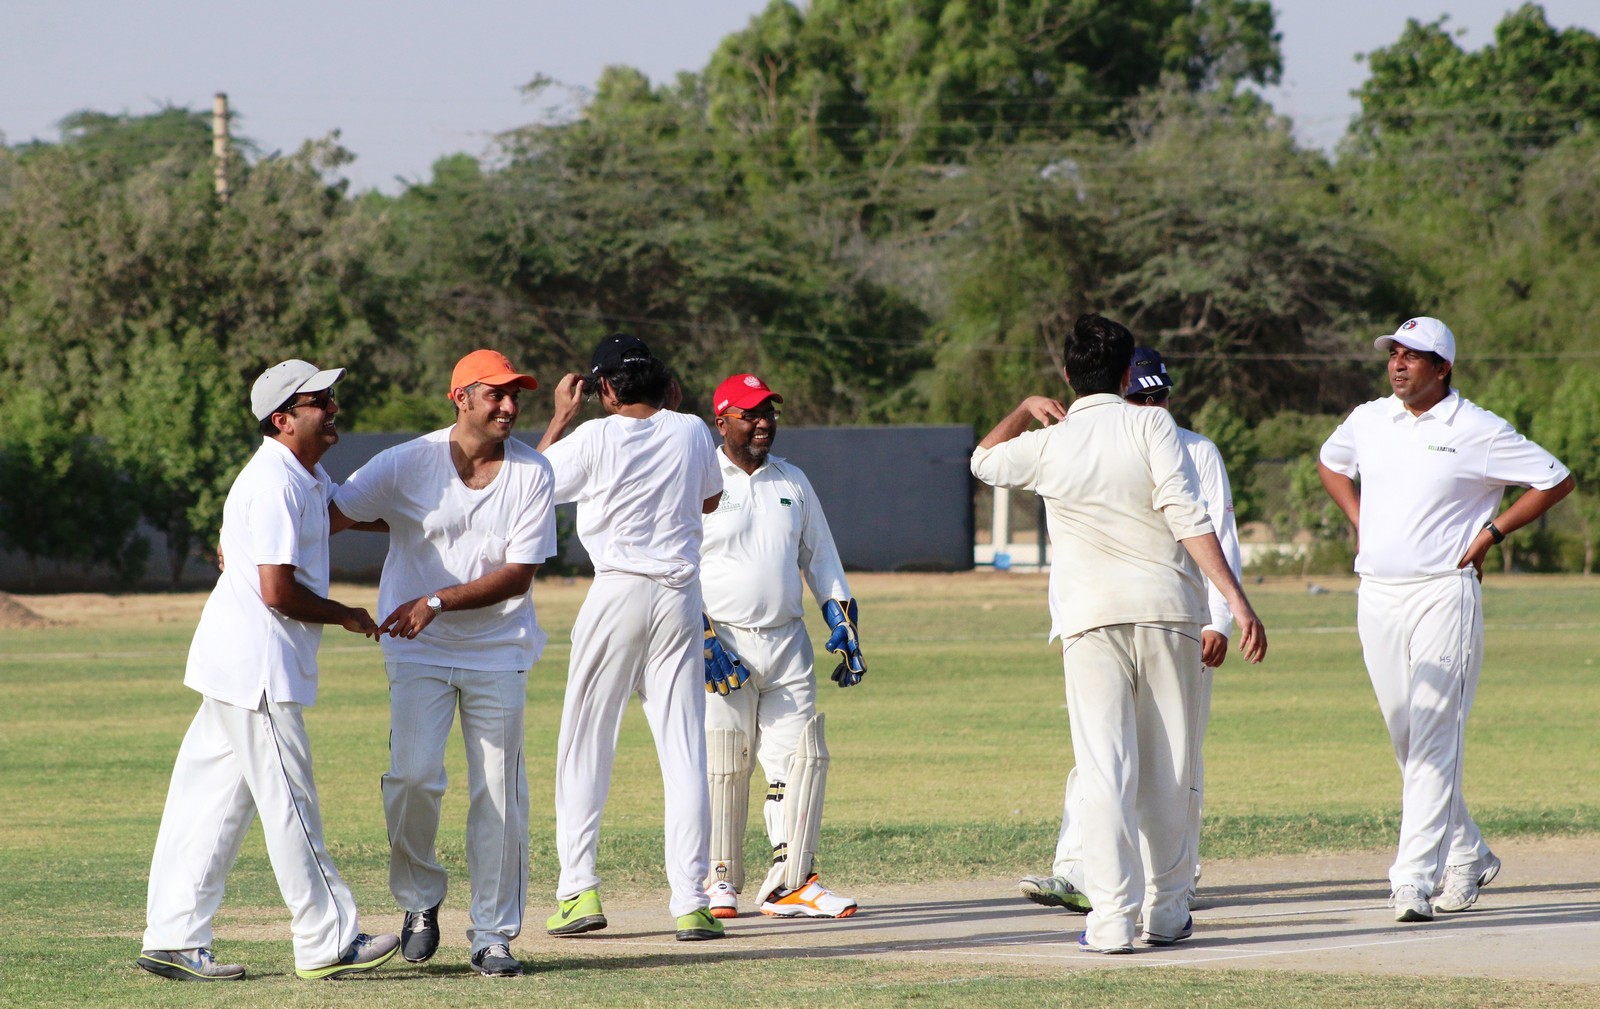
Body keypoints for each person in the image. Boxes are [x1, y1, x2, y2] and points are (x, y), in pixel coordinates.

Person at [970, 314, 1266, 954]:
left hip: (1088, 621)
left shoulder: (1050, 441)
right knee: (1170, 768)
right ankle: (1167, 911)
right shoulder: (1153, 424)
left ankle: (1109, 920)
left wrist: (1023, 409)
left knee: (1104, 770)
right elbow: (1186, 515)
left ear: (1067, 375)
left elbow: (982, 460)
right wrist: (1236, 602)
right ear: (1130, 371)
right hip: (1167, 612)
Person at [139, 360, 399, 982]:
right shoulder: (274, 483)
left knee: (209, 806)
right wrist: (346, 614)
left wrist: (429, 516)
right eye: (319, 401)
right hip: (257, 668)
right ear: (283, 419)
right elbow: (278, 592)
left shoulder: (302, 475)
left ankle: (173, 936)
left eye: (331, 397)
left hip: (237, 663)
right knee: (291, 804)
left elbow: (340, 515)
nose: (333, 408)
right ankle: (327, 940)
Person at [1317, 316, 1574, 923]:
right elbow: (1331, 462)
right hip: (1377, 592)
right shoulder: (1369, 418)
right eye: (1393, 354)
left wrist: (1492, 533)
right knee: (1407, 738)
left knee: (1434, 736)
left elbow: (1555, 479)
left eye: (1412, 356)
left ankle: (1411, 880)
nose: (1398, 365)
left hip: (1444, 592)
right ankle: (1468, 852)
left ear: (1443, 368)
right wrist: (1360, 520)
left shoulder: (1477, 428)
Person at [330, 349, 558, 978]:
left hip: (498, 649)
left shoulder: (533, 472)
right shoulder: (408, 461)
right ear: (461, 397)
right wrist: (244, 540)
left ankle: (493, 935)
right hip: (417, 649)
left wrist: (435, 600)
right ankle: (419, 898)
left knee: (500, 792)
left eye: (516, 396)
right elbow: (331, 514)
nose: (509, 406)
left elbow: (518, 575)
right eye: (496, 394)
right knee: (412, 778)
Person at [1019, 347, 1242, 915]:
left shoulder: (1196, 450)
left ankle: (1175, 882)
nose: (1151, 407)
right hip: (1095, 622)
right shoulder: (1090, 443)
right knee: (1099, 754)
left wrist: (1219, 617)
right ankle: (1078, 870)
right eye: (1140, 397)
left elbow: (1216, 531)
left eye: (1159, 396)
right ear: (1121, 392)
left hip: (1178, 620)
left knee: (1175, 759)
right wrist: (1066, 621)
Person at [536, 333, 727, 942]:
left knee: (585, 742)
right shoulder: (692, 430)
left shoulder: (592, 436)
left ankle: (578, 891)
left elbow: (528, 487)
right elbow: (711, 499)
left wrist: (560, 419)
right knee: (684, 748)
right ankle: (691, 902)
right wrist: (674, 412)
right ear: (666, 384)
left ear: (605, 389)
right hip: (679, 597)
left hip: (617, 591)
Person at [698, 373, 866, 920]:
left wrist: (842, 618)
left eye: (768, 412)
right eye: (749, 414)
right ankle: (718, 879)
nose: (763, 422)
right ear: (721, 421)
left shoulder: (792, 479)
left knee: (797, 764)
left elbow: (821, 556)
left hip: (788, 641)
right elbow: (674, 562)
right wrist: (699, 635)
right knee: (726, 763)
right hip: (721, 644)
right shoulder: (698, 479)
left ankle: (791, 882)